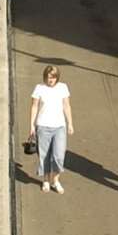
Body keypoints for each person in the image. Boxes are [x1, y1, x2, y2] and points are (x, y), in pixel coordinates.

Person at [29, 65, 73, 193]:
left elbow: (66, 106)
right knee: (44, 155)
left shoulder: (63, 87)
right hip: (43, 126)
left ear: (57, 77)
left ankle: (56, 180)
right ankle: (46, 180)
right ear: (45, 77)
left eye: (53, 78)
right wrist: (32, 125)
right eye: (49, 78)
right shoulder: (39, 88)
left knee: (59, 155)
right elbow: (34, 107)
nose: (51, 80)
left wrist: (70, 123)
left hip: (59, 126)